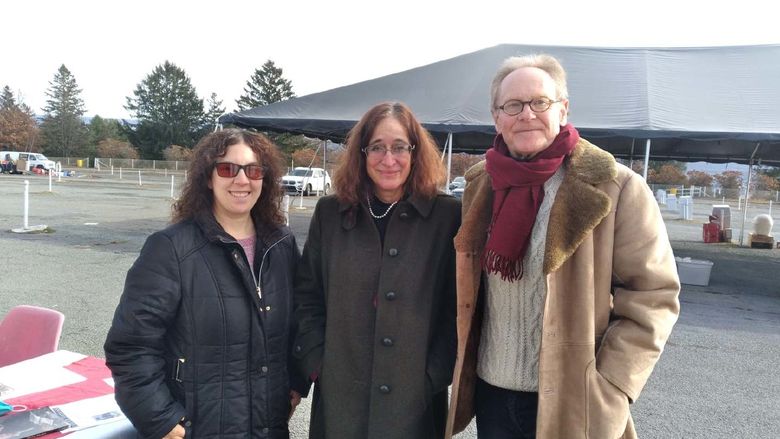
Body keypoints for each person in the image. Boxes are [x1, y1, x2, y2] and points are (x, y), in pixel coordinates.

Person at [446, 54, 681, 439]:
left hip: (573, 397)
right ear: (497, 117)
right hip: (493, 392)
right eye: (513, 105)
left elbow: (654, 294)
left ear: (563, 109)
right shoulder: (480, 184)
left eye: (540, 102)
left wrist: (613, 383)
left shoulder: (615, 187)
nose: (526, 114)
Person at [104, 129, 305, 439]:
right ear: (208, 178)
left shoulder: (281, 244)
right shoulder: (170, 249)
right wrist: (162, 421)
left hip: (268, 427)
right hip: (198, 429)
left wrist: (295, 382)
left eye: (253, 170)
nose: (242, 180)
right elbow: (131, 347)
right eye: (228, 169)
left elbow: (298, 324)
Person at [293, 101, 460, 439]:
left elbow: (458, 308)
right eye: (377, 148)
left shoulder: (446, 217)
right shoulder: (330, 213)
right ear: (361, 152)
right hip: (341, 395)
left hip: (415, 400)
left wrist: (434, 374)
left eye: (399, 147)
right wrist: (317, 364)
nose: (388, 159)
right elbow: (306, 296)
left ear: (415, 152)